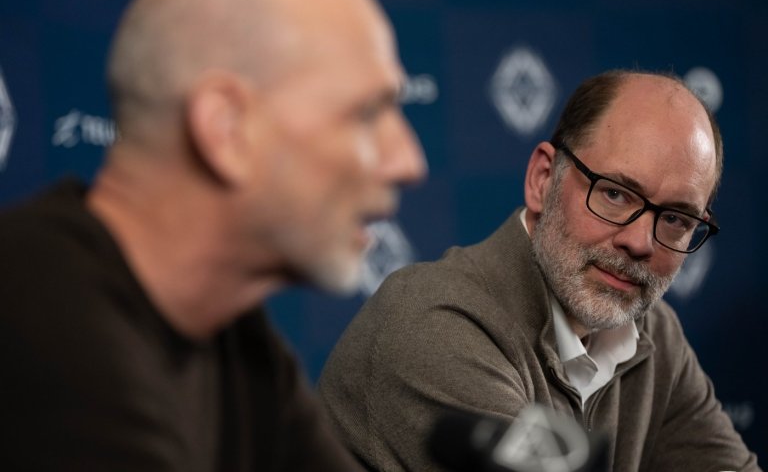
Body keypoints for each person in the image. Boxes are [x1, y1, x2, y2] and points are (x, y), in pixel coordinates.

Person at [0, 0, 426, 470]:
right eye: (367, 114)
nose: (409, 163)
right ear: (227, 128)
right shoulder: (38, 319)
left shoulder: (234, 337)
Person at [319, 70, 761, 471]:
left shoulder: (655, 333)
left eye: (676, 220)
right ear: (543, 180)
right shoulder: (432, 324)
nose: (640, 242)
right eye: (615, 195)